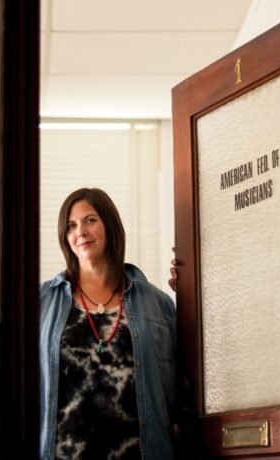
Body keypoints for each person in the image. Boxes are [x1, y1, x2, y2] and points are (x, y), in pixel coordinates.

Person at [40, 188, 177, 459]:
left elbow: (180, 390)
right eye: (71, 225)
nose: (80, 231)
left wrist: (196, 283)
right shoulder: (42, 302)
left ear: (110, 226)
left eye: (90, 220)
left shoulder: (157, 303)